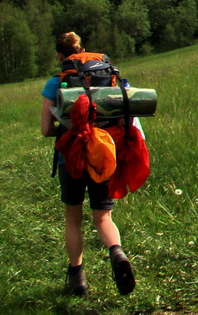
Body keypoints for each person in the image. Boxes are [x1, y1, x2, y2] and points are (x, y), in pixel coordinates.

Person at [40, 31, 136, 297]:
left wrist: (68, 124)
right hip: (102, 154)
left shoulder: (55, 82)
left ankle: (77, 278)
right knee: (103, 216)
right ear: (81, 50)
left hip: (70, 158)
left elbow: (45, 129)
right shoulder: (106, 75)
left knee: (73, 218)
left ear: (60, 56)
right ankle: (117, 253)